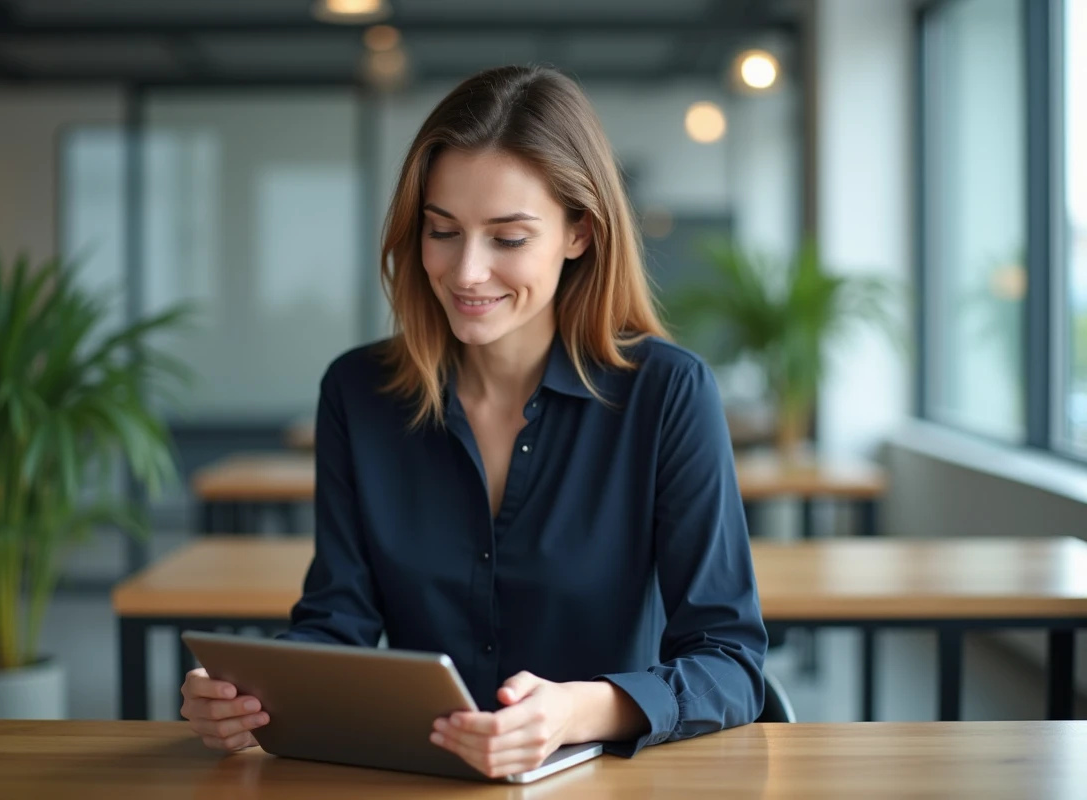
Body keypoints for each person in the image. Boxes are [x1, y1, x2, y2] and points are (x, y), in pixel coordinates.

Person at [180, 64, 767, 778]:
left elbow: (731, 665)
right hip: (415, 781)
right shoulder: (358, 393)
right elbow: (339, 618)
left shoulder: (668, 394)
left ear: (579, 233)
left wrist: (575, 712)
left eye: (508, 238)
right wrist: (252, 698)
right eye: (442, 231)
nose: (466, 271)